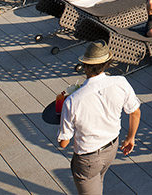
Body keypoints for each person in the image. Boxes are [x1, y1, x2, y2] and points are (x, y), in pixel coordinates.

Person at [58, 41, 140, 195]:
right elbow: (135, 112)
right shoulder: (121, 82)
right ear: (107, 63)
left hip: (88, 158)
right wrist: (131, 138)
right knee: (98, 179)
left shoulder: (73, 100)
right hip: (112, 148)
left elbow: (64, 143)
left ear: (86, 66)